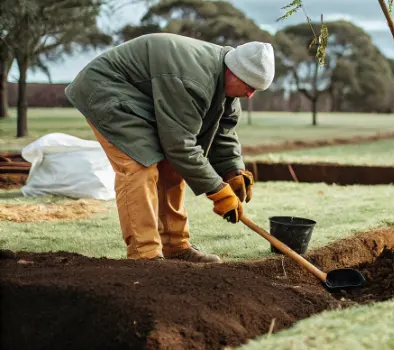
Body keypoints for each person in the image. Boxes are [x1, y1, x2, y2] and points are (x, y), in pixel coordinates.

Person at [65, 33, 275, 262]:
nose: (250, 94)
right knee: (139, 166)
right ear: (234, 71)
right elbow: (180, 146)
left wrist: (233, 170)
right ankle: (144, 255)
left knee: (171, 168)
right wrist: (218, 191)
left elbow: (223, 129)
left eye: (256, 89)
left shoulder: (225, 83)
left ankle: (175, 246)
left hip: (141, 98)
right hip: (108, 89)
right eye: (249, 85)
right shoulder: (193, 80)